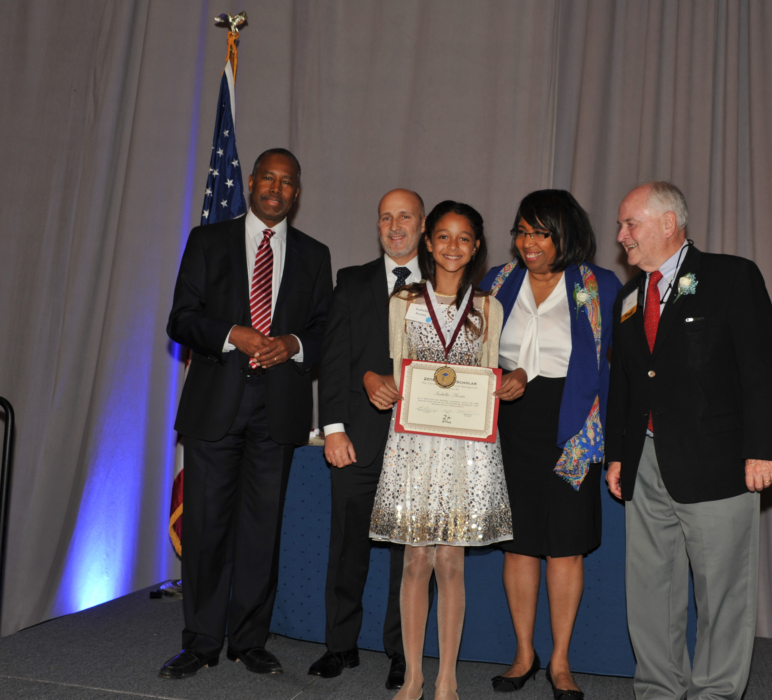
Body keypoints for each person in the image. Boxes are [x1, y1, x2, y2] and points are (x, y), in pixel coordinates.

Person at [605, 182, 772, 700]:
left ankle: (716, 693)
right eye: (620, 226)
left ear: (668, 223)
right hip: (644, 461)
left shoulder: (732, 277)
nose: (621, 236)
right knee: (650, 588)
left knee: (722, 593)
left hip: (718, 462)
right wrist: (617, 454)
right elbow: (625, 383)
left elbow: (763, 367)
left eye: (630, 224)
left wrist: (762, 449)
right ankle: (659, 690)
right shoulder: (628, 297)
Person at [161, 148, 332, 680]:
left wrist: (294, 344)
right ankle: (201, 642)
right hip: (215, 408)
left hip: (277, 413)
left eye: (288, 182)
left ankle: (249, 641)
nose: (277, 189)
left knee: (262, 533)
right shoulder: (207, 241)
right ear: (252, 182)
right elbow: (180, 319)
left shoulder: (314, 254)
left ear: (297, 192)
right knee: (206, 529)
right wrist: (231, 333)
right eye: (269, 179)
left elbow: (325, 331)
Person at [367, 201, 516, 700]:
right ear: (429, 243)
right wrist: (383, 385)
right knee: (415, 562)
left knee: (451, 562)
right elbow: (397, 369)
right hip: (414, 444)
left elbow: (491, 377)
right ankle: (413, 676)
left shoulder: (488, 307)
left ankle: (447, 678)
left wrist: (506, 383)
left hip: (466, 450)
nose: (453, 246)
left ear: (476, 248)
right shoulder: (404, 301)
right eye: (444, 236)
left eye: (464, 238)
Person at [480, 190, 621, 699]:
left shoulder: (599, 285)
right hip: (510, 422)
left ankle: (561, 661)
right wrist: (503, 375)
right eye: (521, 231)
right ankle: (524, 654)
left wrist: (615, 440)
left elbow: (616, 366)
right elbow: (473, 350)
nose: (529, 242)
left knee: (564, 547)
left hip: (574, 427)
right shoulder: (496, 281)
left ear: (566, 234)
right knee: (518, 545)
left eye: (541, 232)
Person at [308, 188, 427, 689]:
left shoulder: (447, 283)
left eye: (405, 217)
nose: (394, 226)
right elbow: (335, 359)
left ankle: (403, 654)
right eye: (385, 217)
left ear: (423, 225)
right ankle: (340, 646)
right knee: (347, 549)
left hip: (422, 445)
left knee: (411, 557)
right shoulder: (352, 281)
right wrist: (333, 429)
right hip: (357, 440)